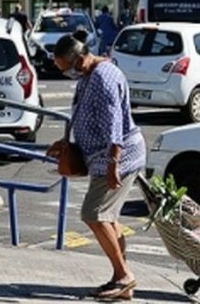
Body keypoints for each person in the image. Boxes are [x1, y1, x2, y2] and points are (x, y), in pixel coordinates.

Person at [48, 29, 145, 301]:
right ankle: (121, 280)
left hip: (118, 157)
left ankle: (124, 275)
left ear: (79, 60)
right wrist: (65, 142)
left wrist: (114, 163)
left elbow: (114, 123)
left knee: (94, 213)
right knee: (108, 217)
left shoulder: (103, 77)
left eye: (66, 69)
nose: (67, 74)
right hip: (103, 157)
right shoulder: (90, 75)